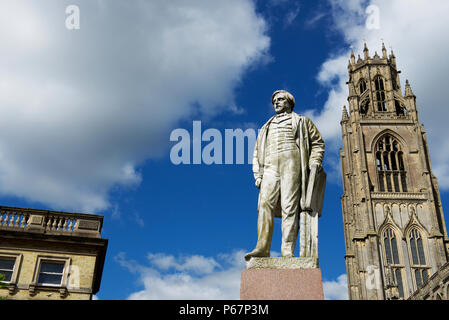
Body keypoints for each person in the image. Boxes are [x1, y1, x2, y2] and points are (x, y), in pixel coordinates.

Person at [245, 90, 325, 260]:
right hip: (270, 166)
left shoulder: (302, 121)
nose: (276, 103)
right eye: (274, 100)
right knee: (264, 204)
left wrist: (315, 161)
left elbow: (317, 143)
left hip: (292, 163)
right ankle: (262, 247)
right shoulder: (266, 127)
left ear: (289, 102)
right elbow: (257, 151)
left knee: (290, 207)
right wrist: (257, 175)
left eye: (280, 99)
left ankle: (287, 250)